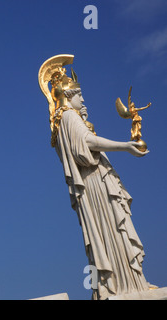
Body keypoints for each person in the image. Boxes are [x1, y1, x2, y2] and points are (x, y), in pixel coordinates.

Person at [39, 55, 152, 300]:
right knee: (112, 230)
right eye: (80, 95)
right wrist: (126, 146)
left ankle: (131, 282)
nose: (83, 99)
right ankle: (123, 285)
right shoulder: (68, 117)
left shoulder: (69, 119)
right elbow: (87, 143)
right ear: (68, 97)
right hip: (94, 184)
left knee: (115, 230)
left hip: (95, 182)